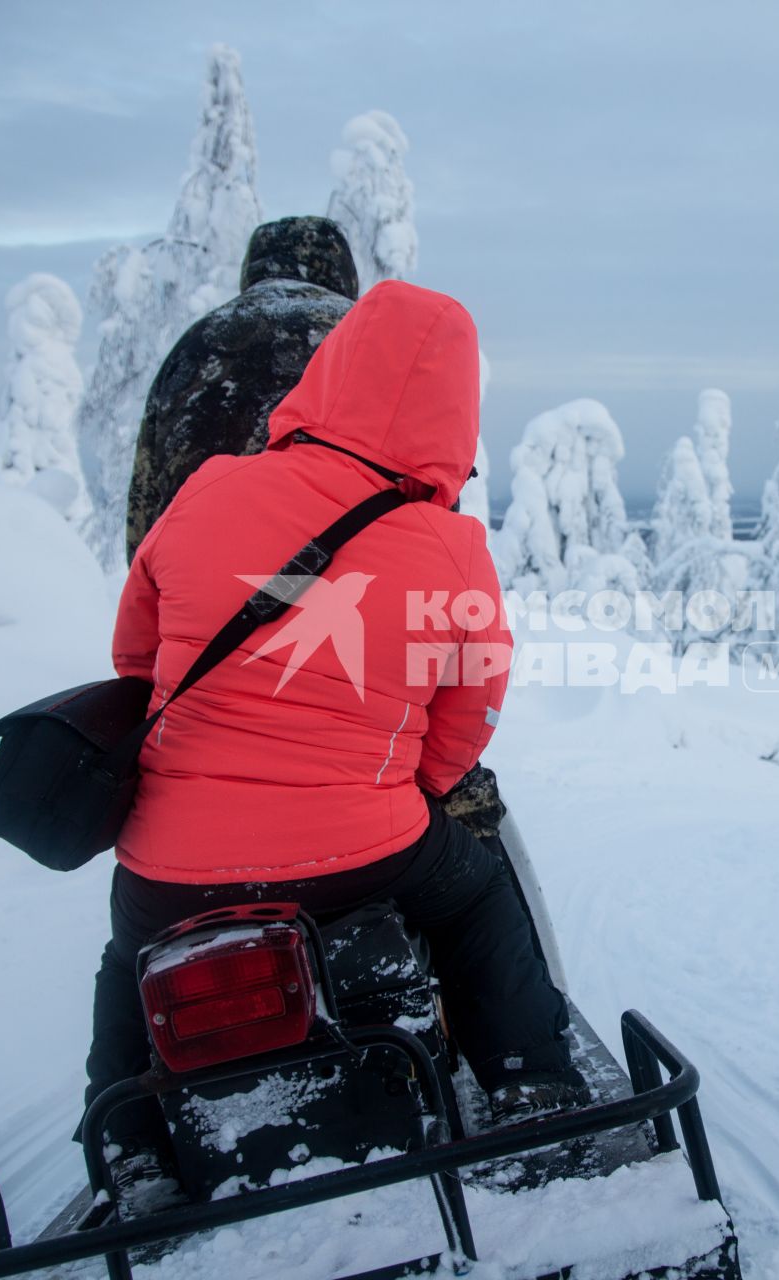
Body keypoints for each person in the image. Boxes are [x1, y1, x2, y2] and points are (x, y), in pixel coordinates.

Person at [88, 279, 580, 1207]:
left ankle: (134, 1150)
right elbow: (472, 709)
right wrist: (407, 787)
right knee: (475, 901)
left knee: (128, 954)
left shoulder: (207, 490)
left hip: (172, 862)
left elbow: (135, 659)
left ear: (331, 368)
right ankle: (529, 1086)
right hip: (361, 853)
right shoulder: (452, 545)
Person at [122, 215, 361, 565]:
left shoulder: (197, 342)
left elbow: (145, 511)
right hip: (356, 585)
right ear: (343, 271)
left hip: (207, 588)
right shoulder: (368, 339)